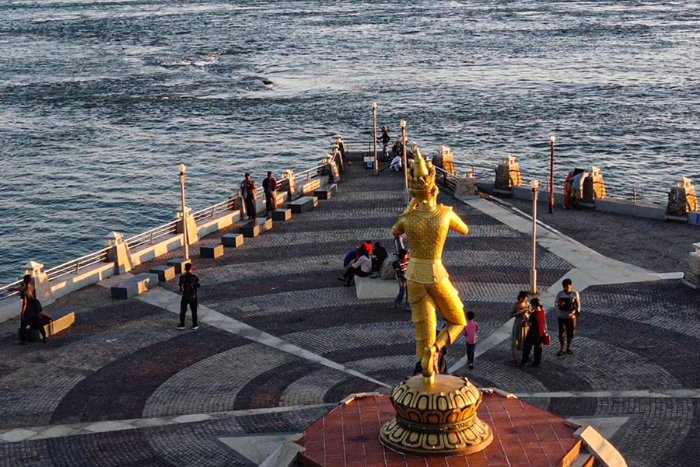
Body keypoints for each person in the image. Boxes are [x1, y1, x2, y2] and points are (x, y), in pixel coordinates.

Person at [392, 148, 470, 377]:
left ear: (416, 192)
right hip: (436, 272)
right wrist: (435, 202)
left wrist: (412, 205)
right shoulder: (445, 213)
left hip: (414, 274)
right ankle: (434, 350)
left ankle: (426, 357)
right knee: (458, 319)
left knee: (424, 326)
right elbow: (465, 229)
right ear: (433, 187)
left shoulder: (409, 218)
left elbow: (395, 230)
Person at [14, 275, 48, 344]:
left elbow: (25, 303)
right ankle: (44, 338)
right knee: (40, 325)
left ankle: (22, 341)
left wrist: (22, 313)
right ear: (30, 281)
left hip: (28, 312)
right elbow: (23, 288)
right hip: (34, 310)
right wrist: (14, 289)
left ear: (24, 281)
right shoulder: (32, 287)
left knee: (23, 326)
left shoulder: (25, 291)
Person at [555, 278, 581, 356]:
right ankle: (562, 348)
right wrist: (559, 305)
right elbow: (556, 303)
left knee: (570, 332)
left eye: (567, 286)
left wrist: (578, 311)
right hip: (561, 316)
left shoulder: (575, 293)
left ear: (571, 285)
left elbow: (578, 303)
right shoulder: (560, 294)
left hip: (571, 316)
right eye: (564, 287)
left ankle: (568, 347)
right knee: (561, 332)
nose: (566, 288)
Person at [521, 298, 547, 367]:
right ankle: (537, 362)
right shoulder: (542, 312)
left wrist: (525, 318)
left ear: (534, 306)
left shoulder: (534, 315)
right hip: (541, 332)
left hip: (533, 333)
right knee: (538, 348)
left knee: (527, 346)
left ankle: (524, 361)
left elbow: (529, 324)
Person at [178, 263, 200, 330]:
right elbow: (198, 285)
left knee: (183, 310)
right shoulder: (194, 277)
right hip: (193, 297)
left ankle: (182, 324)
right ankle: (194, 324)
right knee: (194, 311)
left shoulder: (182, 277)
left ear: (185, 269)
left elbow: (180, 289)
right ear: (191, 269)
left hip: (185, 296)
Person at [510, 291, 530, 364]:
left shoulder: (527, 304)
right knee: (515, 340)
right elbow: (511, 314)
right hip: (518, 323)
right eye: (524, 298)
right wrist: (518, 313)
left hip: (525, 324)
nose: (525, 300)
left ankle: (525, 355)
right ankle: (514, 356)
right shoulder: (516, 305)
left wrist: (528, 312)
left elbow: (529, 311)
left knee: (525, 339)